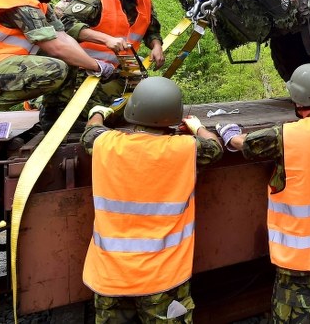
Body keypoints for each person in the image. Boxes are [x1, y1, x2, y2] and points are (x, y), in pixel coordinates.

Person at [216, 64, 310, 324]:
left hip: (302, 264)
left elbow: (245, 144)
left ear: (298, 99)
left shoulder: (289, 135)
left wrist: (228, 132)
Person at [81, 76, 222, 323]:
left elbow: (91, 132)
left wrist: (98, 113)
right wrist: (197, 127)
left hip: (109, 276)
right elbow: (214, 147)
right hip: (163, 278)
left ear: (133, 111)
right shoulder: (184, 148)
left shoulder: (106, 143)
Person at [44, 0, 165, 128]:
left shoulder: (144, 1)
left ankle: (96, 110)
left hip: (121, 68)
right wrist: (106, 39)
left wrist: (157, 46)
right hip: (84, 67)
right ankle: (57, 110)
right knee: (89, 112)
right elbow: (65, 23)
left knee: (142, 105)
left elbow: (152, 30)